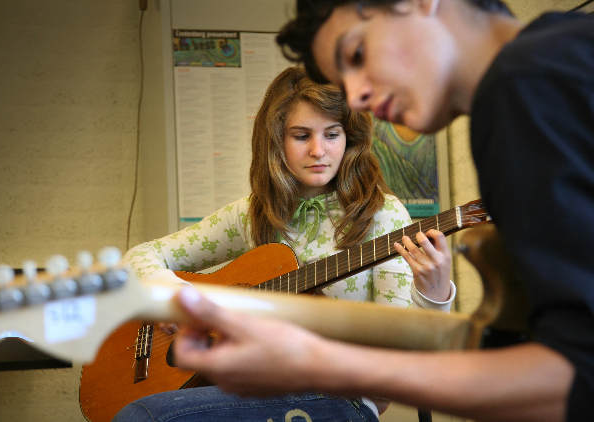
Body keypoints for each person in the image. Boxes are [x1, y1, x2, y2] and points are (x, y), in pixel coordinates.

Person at [165, 1, 594, 421]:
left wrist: (314, 363)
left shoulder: (525, 83)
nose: (357, 95)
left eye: (357, 53)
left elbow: (574, 379)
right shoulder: (559, 59)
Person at [113, 65, 455, 421]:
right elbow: (140, 256)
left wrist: (433, 295)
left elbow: (401, 359)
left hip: (340, 397)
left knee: (144, 417)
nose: (319, 151)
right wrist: (175, 300)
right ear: (276, 140)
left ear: (349, 138)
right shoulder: (251, 215)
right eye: (301, 135)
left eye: (332, 134)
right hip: (250, 389)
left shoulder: (381, 215)